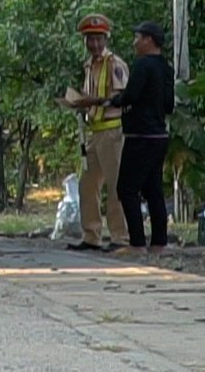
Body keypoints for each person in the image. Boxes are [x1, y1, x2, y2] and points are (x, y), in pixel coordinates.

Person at [108, 21, 176, 255]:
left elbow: (130, 96)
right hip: (159, 136)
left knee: (126, 188)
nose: (134, 42)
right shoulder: (166, 68)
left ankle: (137, 243)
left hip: (140, 136)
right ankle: (159, 242)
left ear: (149, 40)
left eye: (137, 37)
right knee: (153, 189)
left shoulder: (143, 65)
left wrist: (113, 101)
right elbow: (169, 105)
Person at [66, 14, 130, 251]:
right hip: (93, 133)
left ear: (106, 39)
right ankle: (91, 236)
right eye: (89, 39)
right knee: (87, 185)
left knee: (116, 187)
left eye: (98, 39)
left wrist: (91, 101)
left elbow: (122, 99)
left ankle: (119, 237)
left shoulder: (115, 65)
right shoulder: (89, 66)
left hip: (113, 132)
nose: (94, 44)